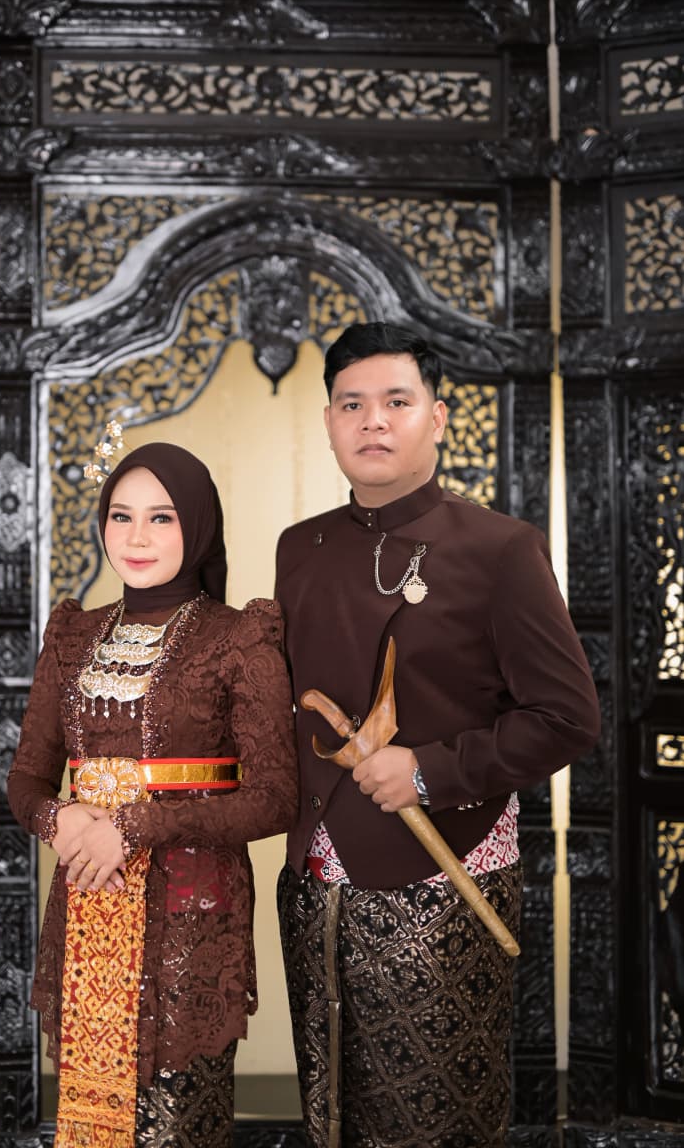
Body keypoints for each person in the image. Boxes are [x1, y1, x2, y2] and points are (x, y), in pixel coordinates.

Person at [274, 321, 600, 1148]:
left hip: (445, 869)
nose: (373, 421)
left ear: (437, 417)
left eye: (396, 401)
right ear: (329, 422)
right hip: (315, 877)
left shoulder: (500, 549)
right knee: (331, 1111)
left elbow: (566, 717)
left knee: (433, 1115)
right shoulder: (301, 548)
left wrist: (427, 769)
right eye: (351, 404)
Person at [7, 441, 298, 1148]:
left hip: (191, 919)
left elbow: (274, 798)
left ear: (196, 525)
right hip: (89, 902)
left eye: (161, 518)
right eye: (121, 516)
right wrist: (56, 819)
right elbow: (26, 780)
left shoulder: (238, 637)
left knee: (176, 1120)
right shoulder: (73, 635)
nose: (136, 537)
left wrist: (133, 827)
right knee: (96, 1119)